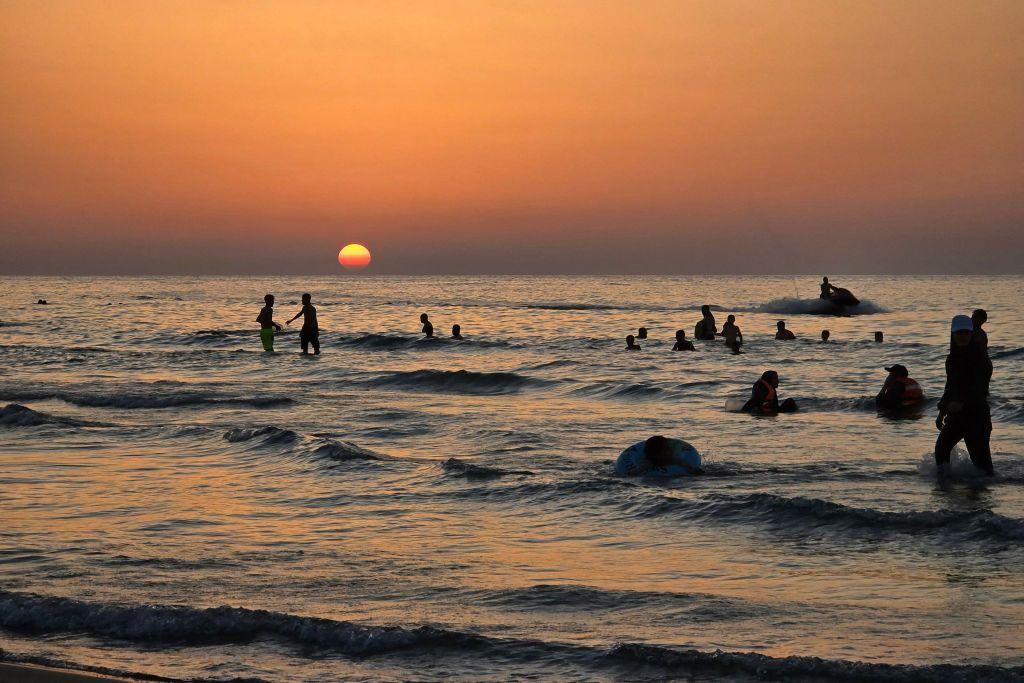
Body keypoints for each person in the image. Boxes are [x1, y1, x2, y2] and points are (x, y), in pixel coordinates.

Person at [935, 315, 993, 476]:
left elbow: (980, 389)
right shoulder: (951, 359)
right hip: (956, 416)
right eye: (959, 333)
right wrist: (941, 411)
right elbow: (950, 387)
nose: (962, 336)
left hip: (977, 417)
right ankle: (943, 491)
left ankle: (983, 496)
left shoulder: (982, 360)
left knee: (983, 467)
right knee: (941, 451)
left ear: (971, 334)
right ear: (952, 334)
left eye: (966, 333)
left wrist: (962, 403)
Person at [616, 435, 704, 476]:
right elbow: (631, 474)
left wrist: (695, 470)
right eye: (666, 449)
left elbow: (689, 467)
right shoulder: (648, 463)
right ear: (656, 453)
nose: (670, 450)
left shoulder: (673, 459)